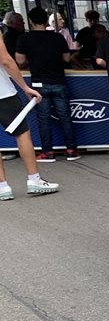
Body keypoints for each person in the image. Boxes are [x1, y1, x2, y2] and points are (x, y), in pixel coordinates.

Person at [16, 7, 79, 161]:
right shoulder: (58, 38)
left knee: (43, 118)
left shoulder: (24, 39)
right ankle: (71, 150)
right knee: (65, 117)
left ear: (30, 21)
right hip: (59, 81)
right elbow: (66, 59)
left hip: (38, 84)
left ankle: (47, 152)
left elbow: (20, 61)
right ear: (46, 20)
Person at [0, 37, 59, 200]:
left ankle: (2, 186)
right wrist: (25, 87)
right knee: (22, 133)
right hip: (3, 93)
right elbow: (5, 60)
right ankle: (34, 179)